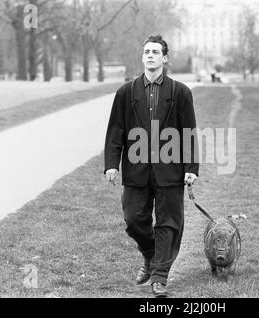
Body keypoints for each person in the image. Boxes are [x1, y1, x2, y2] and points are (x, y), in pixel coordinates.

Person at [103, 34, 199, 298]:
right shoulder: (126, 92)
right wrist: (111, 164)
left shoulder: (180, 92)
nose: (150, 55)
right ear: (142, 56)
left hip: (170, 170)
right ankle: (150, 255)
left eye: (156, 52)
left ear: (164, 58)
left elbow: (189, 132)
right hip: (136, 169)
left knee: (169, 223)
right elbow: (116, 131)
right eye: (146, 51)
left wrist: (191, 167)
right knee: (134, 219)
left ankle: (159, 276)